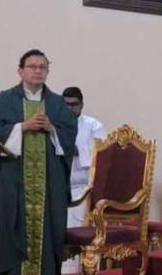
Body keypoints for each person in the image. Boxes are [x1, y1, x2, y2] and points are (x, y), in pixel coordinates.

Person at [0, 49, 77, 275]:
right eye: (32, 66)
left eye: (42, 67)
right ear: (20, 71)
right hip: (12, 180)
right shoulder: (5, 100)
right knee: (10, 230)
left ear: (48, 71)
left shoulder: (58, 104)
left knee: (48, 232)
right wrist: (22, 127)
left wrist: (52, 129)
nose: (37, 71)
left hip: (48, 185)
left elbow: (69, 136)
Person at [61, 87, 107, 227]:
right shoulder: (55, 124)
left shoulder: (93, 125)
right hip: (62, 182)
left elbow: (103, 151)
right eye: (66, 105)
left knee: (80, 226)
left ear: (81, 104)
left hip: (84, 183)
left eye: (74, 104)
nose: (70, 108)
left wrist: (78, 150)